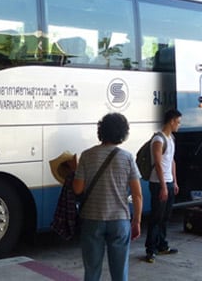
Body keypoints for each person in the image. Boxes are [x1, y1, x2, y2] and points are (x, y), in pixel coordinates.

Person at [73, 113, 143, 281]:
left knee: (91, 270)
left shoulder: (87, 155)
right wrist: (137, 221)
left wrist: (73, 172)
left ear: (101, 131)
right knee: (120, 273)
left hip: (92, 219)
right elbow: (137, 194)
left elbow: (77, 189)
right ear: (123, 133)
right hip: (119, 220)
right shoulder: (127, 158)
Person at [144, 108, 182, 263]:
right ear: (171, 121)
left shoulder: (171, 138)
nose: (179, 125)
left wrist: (174, 181)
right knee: (156, 218)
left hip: (169, 182)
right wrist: (164, 186)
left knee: (165, 217)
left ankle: (162, 245)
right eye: (178, 122)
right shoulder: (158, 140)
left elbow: (171, 161)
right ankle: (150, 250)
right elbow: (158, 164)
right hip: (158, 184)